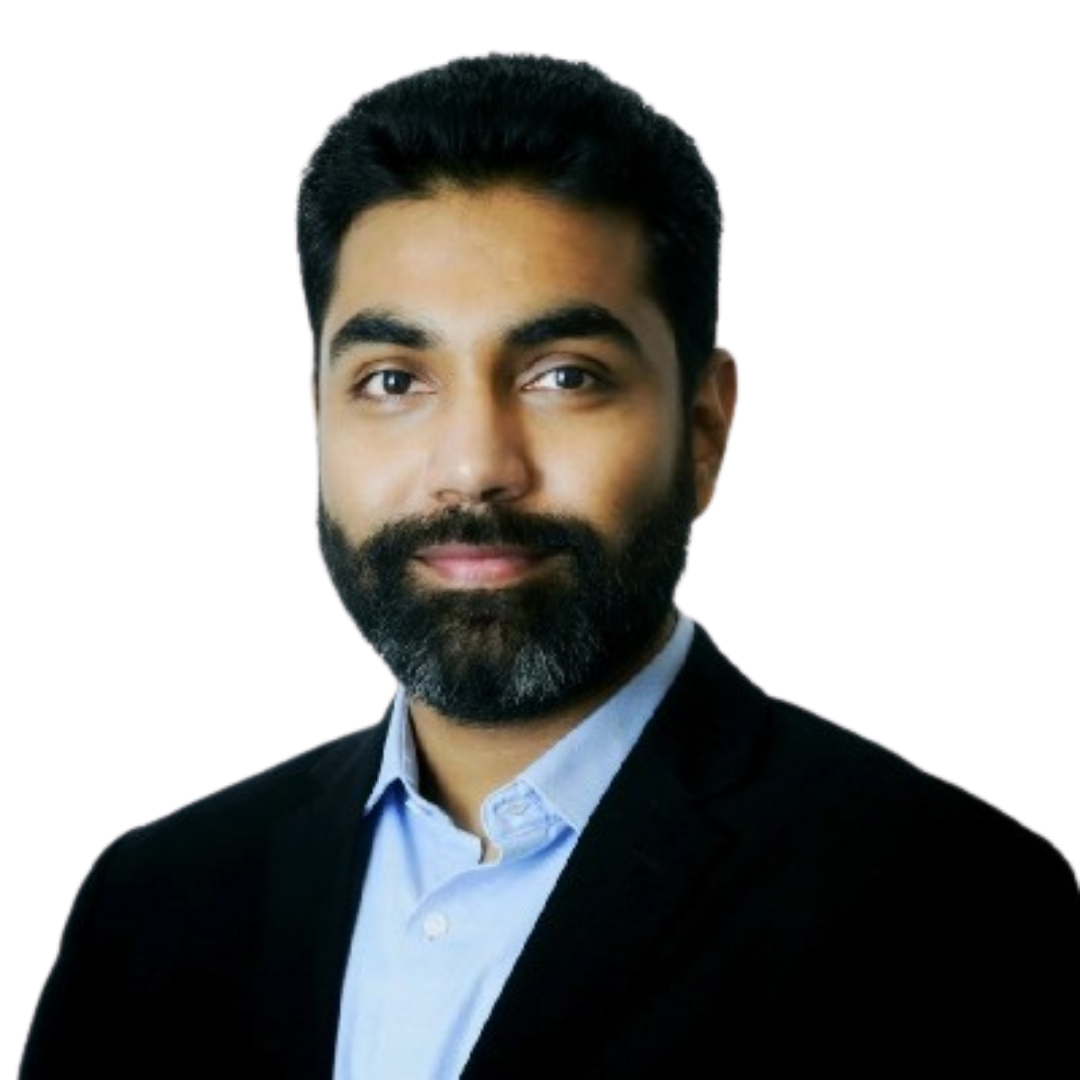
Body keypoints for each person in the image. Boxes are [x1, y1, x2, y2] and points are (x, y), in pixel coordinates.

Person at [19, 51, 1077, 1079]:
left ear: (706, 429)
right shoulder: (154, 898)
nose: (474, 467)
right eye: (394, 380)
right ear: (316, 416)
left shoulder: (955, 908)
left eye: (565, 375)